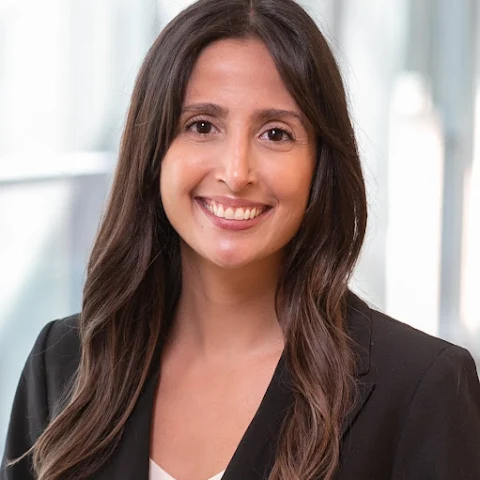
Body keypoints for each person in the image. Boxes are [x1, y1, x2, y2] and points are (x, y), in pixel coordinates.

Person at [2, 0, 480, 479]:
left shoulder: (422, 388)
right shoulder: (63, 364)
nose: (236, 173)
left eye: (275, 133)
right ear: (154, 152)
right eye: (202, 126)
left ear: (321, 165)